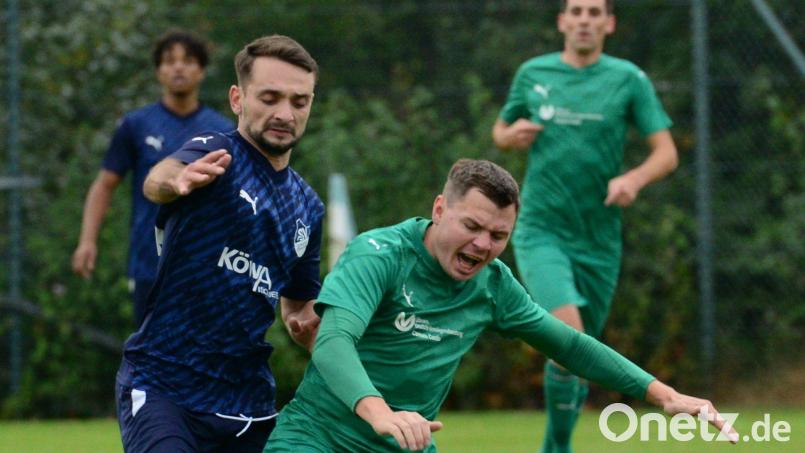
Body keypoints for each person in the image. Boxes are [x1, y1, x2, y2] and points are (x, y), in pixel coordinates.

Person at [264, 159, 734, 452]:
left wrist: (664, 395)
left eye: (498, 236)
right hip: (317, 438)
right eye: (472, 226)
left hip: (408, 444)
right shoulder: (379, 254)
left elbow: (570, 345)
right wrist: (382, 414)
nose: (482, 245)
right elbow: (333, 341)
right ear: (440, 209)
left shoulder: (493, 285)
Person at [115, 35, 322, 453]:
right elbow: (160, 176)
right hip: (166, 385)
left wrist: (334, 329)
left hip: (247, 402)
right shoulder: (219, 153)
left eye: (299, 101)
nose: (285, 113)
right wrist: (176, 180)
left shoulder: (309, 207)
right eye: (270, 97)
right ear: (237, 98)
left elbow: (298, 307)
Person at [491, 1, 679, 451]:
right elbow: (501, 129)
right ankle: (557, 449)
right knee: (567, 335)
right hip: (541, 228)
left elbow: (666, 153)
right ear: (562, 21)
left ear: (608, 24)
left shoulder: (628, 79)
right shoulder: (533, 73)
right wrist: (509, 136)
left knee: (580, 353)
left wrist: (633, 178)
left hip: (598, 238)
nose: (584, 20)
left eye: (595, 12)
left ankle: (558, 443)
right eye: (576, 11)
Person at [71, 29, 234, 327]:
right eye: (169, 61)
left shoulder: (222, 130)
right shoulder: (136, 125)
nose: (178, 67)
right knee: (151, 364)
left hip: (208, 267)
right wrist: (87, 241)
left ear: (202, 70)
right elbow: (105, 184)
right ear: (158, 71)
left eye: (188, 60)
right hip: (150, 265)